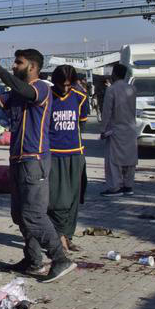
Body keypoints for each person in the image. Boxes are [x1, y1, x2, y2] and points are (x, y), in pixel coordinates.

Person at [0, 48, 74, 282]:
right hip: (17, 159)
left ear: (31, 67)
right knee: (20, 215)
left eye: (18, 63)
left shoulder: (41, 88)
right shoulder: (16, 94)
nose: (14, 67)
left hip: (34, 159)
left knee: (33, 214)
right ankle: (33, 261)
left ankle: (60, 259)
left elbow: (23, 90)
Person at [47, 65, 88, 251]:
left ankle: (68, 236)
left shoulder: (80, 98)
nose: (65, 88)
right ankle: (58, 235)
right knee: (57, 200)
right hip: (53, 154)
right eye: (62, 84)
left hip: (75, 153)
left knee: (73, 198)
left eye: (69, 85)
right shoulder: (46, 98)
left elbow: (82, 124)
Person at [100, 63, 138, 196]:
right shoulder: (132, 89)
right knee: (130, 160)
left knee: (113, 161)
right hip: (131, 129)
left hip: (116, 130)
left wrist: (103, 129)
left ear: (114, 74)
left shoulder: (112, 90)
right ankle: (128, 186)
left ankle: (115, 187)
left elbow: (107, 112)